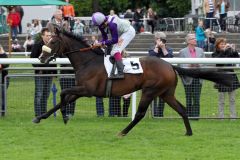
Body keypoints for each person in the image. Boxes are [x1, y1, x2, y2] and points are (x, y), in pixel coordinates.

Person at [48, 9, 76, 118]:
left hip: (66, 50)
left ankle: (70, 111)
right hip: (58, 49)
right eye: (59, 14)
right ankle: (65, 110)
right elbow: (54, 36)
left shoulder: (65, 23)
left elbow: (68, 35)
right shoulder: (51, 24)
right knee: (65, 86)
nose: (61, 15)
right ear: (55, 15)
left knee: (73, 87)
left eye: (61, 14)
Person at [91, 12, 136, 79]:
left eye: (98, 25)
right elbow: (105, 38)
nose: (98, 27)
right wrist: (98, 43)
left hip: (128, 31)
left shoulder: (112, 24)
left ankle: (121, 73)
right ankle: (115, 68)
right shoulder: (102, 24)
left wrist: (101, 43)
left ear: (103, 23)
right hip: (122, 32)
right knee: (113, 51)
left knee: (115, 51)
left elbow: (115, 40)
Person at [30, 28, 57, 117]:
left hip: (49, 73)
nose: (49, 37)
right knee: (39, 93)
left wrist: (54, 72)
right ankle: (38, 114)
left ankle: (44, 112)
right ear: (42, 36)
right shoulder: (37, 45)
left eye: (50, 35)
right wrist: (39, 69)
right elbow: (33, 59)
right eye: (47, 35)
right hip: (40, 74)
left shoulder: (52, 45)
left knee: (46, 93)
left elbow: (54, 59)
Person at [212, 38, 240, 119]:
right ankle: (221, 117)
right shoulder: (214, 54)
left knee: (232, 99)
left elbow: (237, 58)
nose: (223, 45)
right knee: (221, 100)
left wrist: (234, 50)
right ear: (217, 45)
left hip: (231, 77)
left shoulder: (229, 52)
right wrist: (223, 51)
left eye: (224, 44)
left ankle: (233, 117)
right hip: (221, 78)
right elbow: (219, 63)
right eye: (221, 44)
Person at [179, 34, 205, 119]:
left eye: (195, 38)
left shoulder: (200, 50)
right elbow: (180, 65)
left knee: (197, 98)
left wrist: (198, 65)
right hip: (188, 78)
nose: (195, 40)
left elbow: (205, 63)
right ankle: (189, 115)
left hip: (198, 77)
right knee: (189, 98)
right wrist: (189, 66)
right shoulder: (182, 52)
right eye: (193, 39)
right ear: (188, 41)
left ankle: (196, 117)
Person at [148, 32, 173, 117]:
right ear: (155, 40)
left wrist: (163, 48)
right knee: (152, 95)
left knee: (163, 95)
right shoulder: (152, 48)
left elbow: (169, 59)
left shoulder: (169, 49)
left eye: (163, 40)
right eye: (160, 39)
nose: (162, 41)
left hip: (164, 76)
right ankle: (154, 114)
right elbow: (151, 57)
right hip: (153, 76)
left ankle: (160, 114)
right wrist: (156, 47)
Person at [0, 45, 9, 116]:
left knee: (3, 95)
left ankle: (3, 111)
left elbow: (6, 64)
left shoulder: (4, 55)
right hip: (3, 78)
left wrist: (1, 66)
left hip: (3, 78)